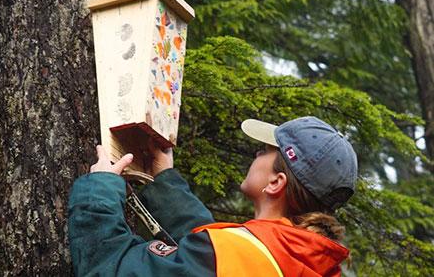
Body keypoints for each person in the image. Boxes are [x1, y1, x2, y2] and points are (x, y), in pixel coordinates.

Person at [68, 116, 357, 276]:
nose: (257, 154)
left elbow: (109, 271)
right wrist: (165, 180)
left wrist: (99, 190)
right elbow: (211, 254)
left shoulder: (236, 255)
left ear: (275, 182)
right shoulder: (302, 263)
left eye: (266, 151)